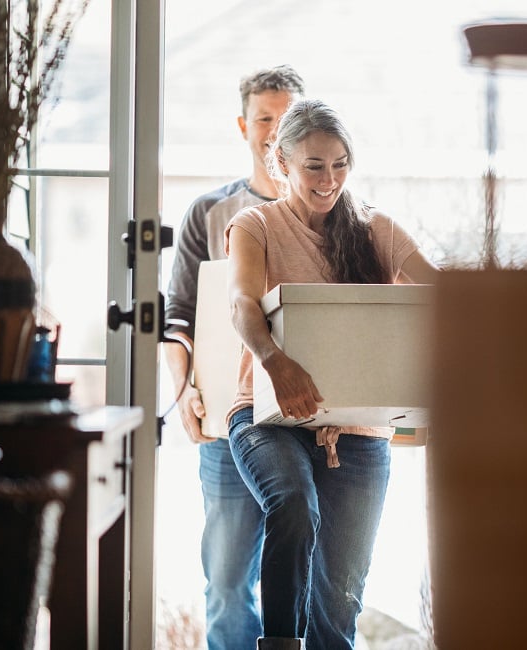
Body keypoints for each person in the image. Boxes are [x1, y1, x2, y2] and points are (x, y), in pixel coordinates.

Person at [223, 99, 440, 650]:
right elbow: (241, 304)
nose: (329, 178)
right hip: (266, 416)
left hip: (360, 430)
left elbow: (444, 298)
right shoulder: (256, 225)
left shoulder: (377, 230)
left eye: (340, 163)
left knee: (339, 602)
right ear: (282, 164)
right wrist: (277, 361)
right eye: (314, 165)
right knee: (293, 503)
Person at [163, 64, 305, 650]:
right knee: (226, 582)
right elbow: (177, 317)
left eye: (286, 117)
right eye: (264, 118)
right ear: (243, 125)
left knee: (306, 580)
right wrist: (186, 391)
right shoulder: (208, 213)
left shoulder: (329, 212)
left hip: (307, 424)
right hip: (226, 424)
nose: (274, 130)